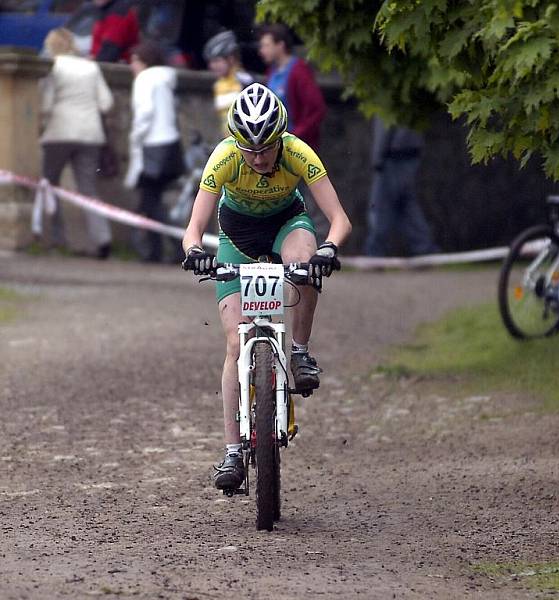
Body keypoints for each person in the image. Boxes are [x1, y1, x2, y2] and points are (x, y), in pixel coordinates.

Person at [181, 83, 351, 491]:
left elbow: (340, 219)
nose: (257, 158)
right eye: (249, 150)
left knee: (307, 263)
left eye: (266, 149)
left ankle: (300, 352)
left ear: (280, 140)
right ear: (236, 143)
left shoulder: (298, 153)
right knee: (236, 345)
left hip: (286, 226)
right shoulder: (223, 158)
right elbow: (192, 231)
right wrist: (195, 253)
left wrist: (329, 249)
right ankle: (232, 451)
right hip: (237, 239)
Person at [39, 27, 114, 259]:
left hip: (58, 133)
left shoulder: (54, 67)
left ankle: (55, 238)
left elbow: (47, 104)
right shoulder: (91, 67)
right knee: (87, 189)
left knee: (49, 185)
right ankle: (103, 239)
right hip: (90, 134)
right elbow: (106, 103)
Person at [124, 40, 185, 263]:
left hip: (153, 147)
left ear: (144, 62)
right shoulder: (166, 80)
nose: (131, 65)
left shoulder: (144, 79)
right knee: (153, 201)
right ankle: (160, 250)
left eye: (134, 60)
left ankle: (174, 249)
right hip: (170, 146)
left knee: (150, 203)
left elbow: (145, 112)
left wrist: (135, 136)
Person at [364, 117, 440, 257]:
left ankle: (375, 252)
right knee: (406, 205)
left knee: (381, 206)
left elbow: (384, 127)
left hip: (393, 155)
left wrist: (377, 158)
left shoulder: (385, 98)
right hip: (409, 152)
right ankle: (424, 248)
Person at [257, 23, 326, 150]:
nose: (262, 51)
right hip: (275, 144)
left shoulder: (299, 71)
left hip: (296, 145)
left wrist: (296, 135)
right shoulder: (271, 72)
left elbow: (316, 108)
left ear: (280, 45)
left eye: (266, 46)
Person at [202, 29, 255, 138]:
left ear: (230, 59)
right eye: (211, 62)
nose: (213, 66)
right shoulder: (218, 85)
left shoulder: (245, 81)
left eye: (217, 61)